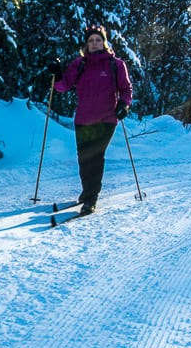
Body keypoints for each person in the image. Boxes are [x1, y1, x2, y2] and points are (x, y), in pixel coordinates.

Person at [47, 25, 133, 215]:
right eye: (91, 40)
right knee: (84, 158)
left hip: (106, 119)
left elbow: (126, 89)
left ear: (104, 42)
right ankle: (87, 192)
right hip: (84, 119)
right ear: (87, 44)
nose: (95, 43)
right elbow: (62, 87)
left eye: (98, 40)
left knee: (95, 155)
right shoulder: (80, 64)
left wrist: (124, 105)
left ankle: (91, 197)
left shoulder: (116, 64)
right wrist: (57, 73)